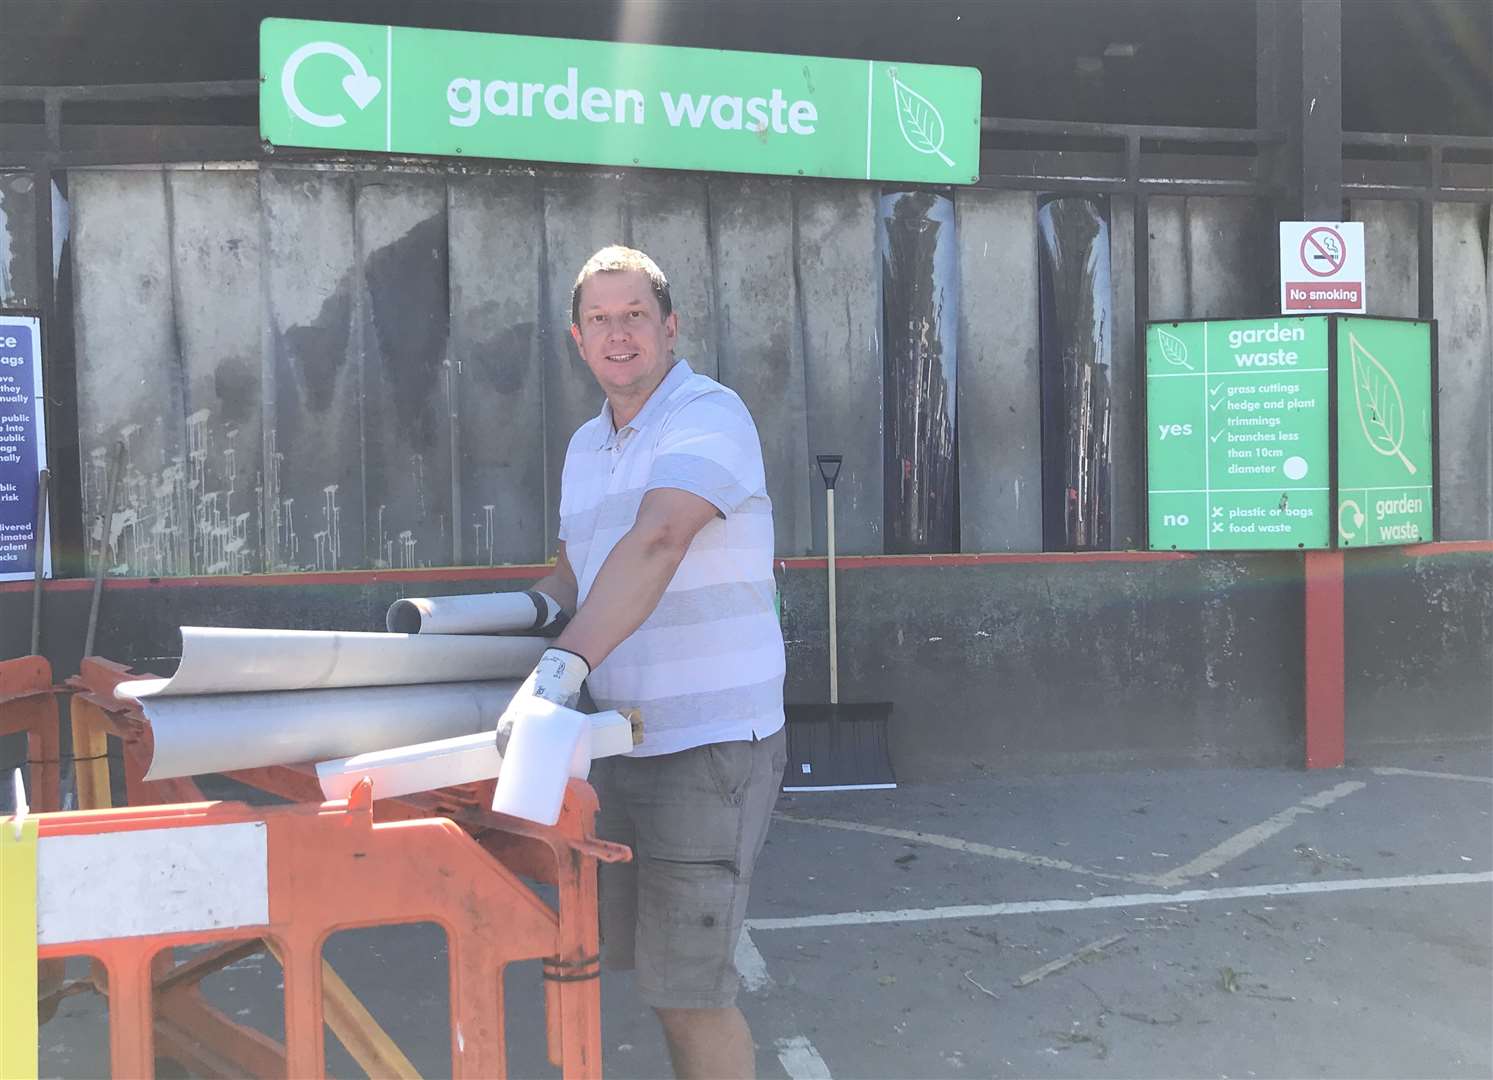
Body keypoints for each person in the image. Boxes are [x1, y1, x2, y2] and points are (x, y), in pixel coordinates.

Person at [496, 245, 786, 1079]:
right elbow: (572, 575)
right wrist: (478, 628)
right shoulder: (589, 445)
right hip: (617, 739)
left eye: (633, 317)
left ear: (669, 327)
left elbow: (659, 538)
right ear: (576, 340)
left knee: (691, 991)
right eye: (599, 320)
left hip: (707, 748)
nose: (617, 334)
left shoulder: (708, 414)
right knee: (655, 980)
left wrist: (557, 669)